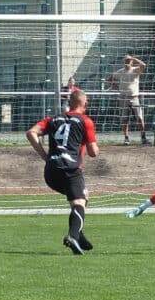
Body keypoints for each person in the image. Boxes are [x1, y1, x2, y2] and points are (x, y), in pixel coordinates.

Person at [27, 89, 100, 255]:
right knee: (79, 202)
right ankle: (73, 236)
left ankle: (78, 234)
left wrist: (45, 156)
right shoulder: (85, 121)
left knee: (83, 196)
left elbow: (31, 132)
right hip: (70, 169)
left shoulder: (53, 119)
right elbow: (93, 152)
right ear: (85, 104)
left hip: (51, 172)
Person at [107, 54, 147, 145]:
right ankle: (126, 138)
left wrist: (134, 58)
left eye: (128, 61)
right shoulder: (120, 72)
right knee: (125, 119)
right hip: (123, 98)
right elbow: (109, 79)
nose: (127, 63)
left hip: (134, 97)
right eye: (125, 61)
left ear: (132, 62)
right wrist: (117, 87)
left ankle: (143, 137)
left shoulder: (136, 70)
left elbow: (144, 65)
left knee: (140, 118)